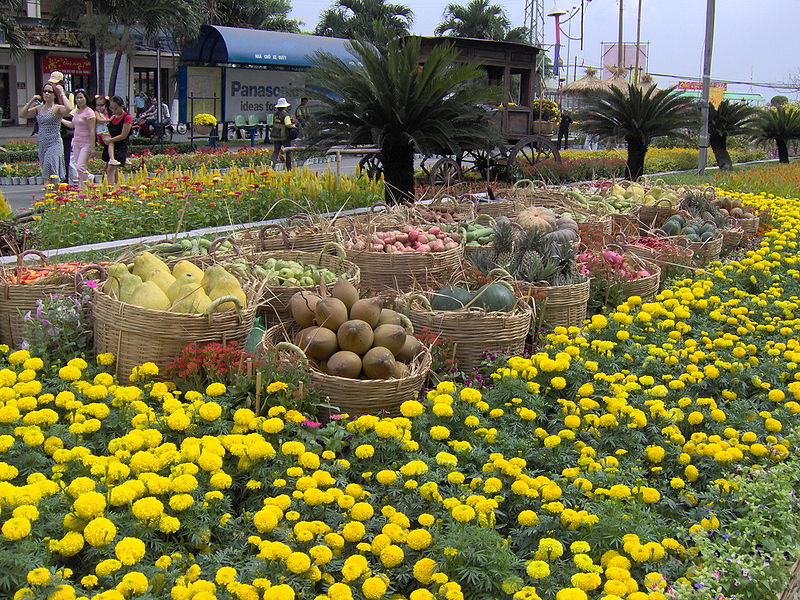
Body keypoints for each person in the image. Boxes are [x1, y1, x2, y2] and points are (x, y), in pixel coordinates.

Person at [18, 74, 73, 185]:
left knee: (49, 170)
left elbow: (69, 109)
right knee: (47, 170)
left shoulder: (57, 108)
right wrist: (32, 100)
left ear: (54, 95)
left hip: (54, 143)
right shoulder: (39, 108)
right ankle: (53, 193)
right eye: (45, 91)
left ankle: (50, 193)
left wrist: (62, 93)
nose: (46, 93)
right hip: (43, 143)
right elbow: (22, 114)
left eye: (49, 92)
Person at [61, 89, 96, 186]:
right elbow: (72, 125)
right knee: (78, 167)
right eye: (77, 98)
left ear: (86, 98)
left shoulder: (90, 112)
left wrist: (92, 147)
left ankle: (89, 176)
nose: (79, 100)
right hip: (76, 142)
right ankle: (82, 187)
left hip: (86, 143)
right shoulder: (76, 111)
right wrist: (60, 119)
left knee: (80, 166)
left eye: (81, 97)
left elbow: (92, 130)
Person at [102, 96, 133, 186]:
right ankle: (116, 186)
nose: (113, 110)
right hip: (110, 146)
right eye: (111, 108)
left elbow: (123, 135)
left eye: (116, 108)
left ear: (121, 106)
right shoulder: (112, 117)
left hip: (119, 146)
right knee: (111, 169)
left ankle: (110, 188)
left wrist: (110, 140)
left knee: (111, 169)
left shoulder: (127, 117)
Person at [268, 97, 297, 170]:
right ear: (285, 107)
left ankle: (271, 167)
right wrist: (294, 126)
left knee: (276, 152)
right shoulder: (285, 115)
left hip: (275, 135)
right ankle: (288, 168)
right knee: (288, 151)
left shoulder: (275, 115)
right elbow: (288, 125)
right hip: (284, 136)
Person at [94, 95, 119, 166]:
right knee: (111, 142)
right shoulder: (96, 112)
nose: (100, 107)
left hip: (107, 131)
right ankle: (112, 159)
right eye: (97, 105)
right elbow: (99, 120)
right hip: (101, 131)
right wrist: (109, 120)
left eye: (102, 105)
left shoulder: (106, 112)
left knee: (113, 143)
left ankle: (113, 159)